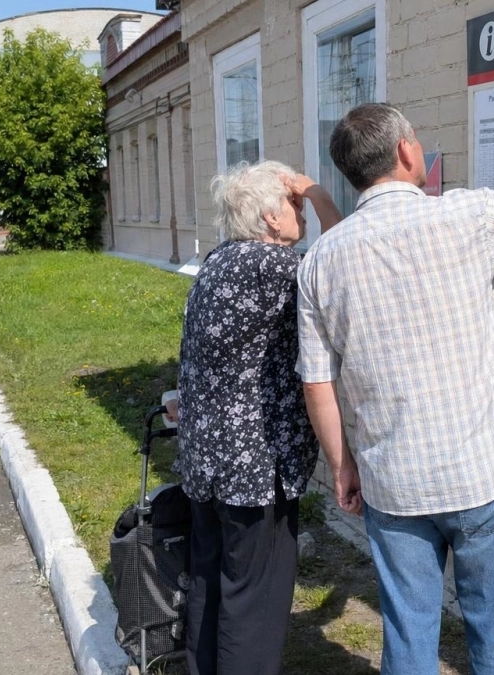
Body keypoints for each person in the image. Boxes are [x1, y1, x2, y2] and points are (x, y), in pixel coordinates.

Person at [296, 103, 494, 675]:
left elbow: (317, 381)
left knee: (409, 631)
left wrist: (343, 466)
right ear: (406, 153)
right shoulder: (466, 217)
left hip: (392, 482)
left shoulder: (319, 261)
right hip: (480, 473)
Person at [170, 160, 341, 675]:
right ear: (270, 217)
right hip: (254, 468)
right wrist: (318, 190)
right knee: (254, 600)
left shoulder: (220, 261)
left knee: (209, 580)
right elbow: (348, 249)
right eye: (294, 205)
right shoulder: (277, 270)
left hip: (207, 459)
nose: (303, 212)